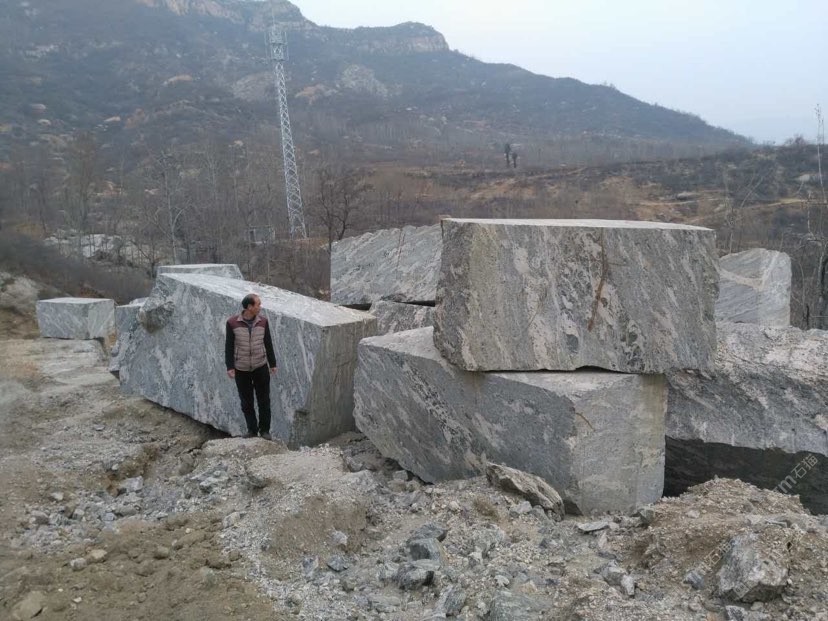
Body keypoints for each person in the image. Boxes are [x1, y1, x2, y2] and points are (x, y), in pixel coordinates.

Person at [225, 293, 277, 439]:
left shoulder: (263, 322)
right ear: (249, 307)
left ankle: (265, 431)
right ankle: (252, 430)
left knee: (264, 401)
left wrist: (272, 363)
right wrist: (230, 366)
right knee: (246, 402)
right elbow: (229, 346)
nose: (260, 307)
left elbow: (268, 343)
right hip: (241, 369)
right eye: (258, 304)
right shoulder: (232, 323)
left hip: (260, 366)